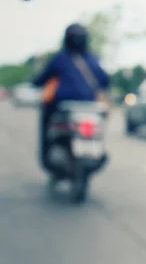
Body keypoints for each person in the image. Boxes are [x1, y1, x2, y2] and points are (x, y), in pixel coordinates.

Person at [32, 23, 110, 172]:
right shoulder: (92, 59)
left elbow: (42, 78)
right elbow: (105, 80)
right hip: (90, 107)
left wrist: (35, 81)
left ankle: (46, 152)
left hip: (62, 106)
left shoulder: (60, 58)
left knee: (47, 119)